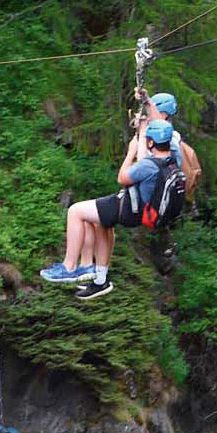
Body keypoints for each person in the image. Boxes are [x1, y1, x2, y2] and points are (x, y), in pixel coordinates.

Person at [40, 118, 176, 300]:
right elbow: (145, 158)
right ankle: (100, 279)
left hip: (126, 208)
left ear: (151, 142)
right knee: (102, 223)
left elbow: (122, 178)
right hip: (139, 212)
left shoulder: (148, 165)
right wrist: (143, 128)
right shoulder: (169, 160)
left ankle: (70, 266)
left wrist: (130, 152)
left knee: (75, 211)